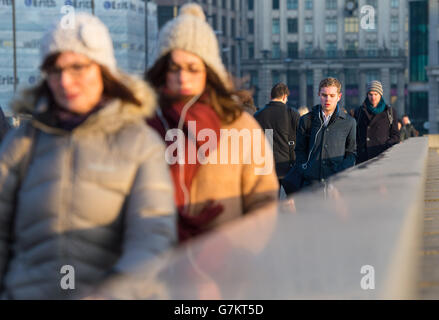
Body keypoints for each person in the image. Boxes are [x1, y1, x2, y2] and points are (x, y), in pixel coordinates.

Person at [0, 13, 176, 299]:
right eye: (56, 70)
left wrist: (116, 291)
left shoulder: (140, 143)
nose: (66, 82)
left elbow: (151, 236)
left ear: (103, 70)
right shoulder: (22, 142)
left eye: (78, 68)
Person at [146, 3, 279, 243]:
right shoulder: (146, 124)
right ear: (162, 70)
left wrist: (236, 251)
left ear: (209, 71)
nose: (182, 77)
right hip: (156, 263)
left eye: (192, 68)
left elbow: (264, 200)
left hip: (227, 266)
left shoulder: (241, 126)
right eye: (174, 68)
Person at [285, 77, 356, 191]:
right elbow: (299, 150)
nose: (327, 99)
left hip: (336, 184)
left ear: (339, 97)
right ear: (319, 94)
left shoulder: (349, 122)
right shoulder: (306, 120)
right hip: (310, 184)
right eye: (324, 95)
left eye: (332, 96)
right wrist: (305, 169)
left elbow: (351, 152)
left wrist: (341, 172)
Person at [254, 83, 300, 182]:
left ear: (271, 96)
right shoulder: (292, 113)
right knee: (293, 196)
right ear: (284, 97)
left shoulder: (258, 115)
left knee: (271, 196)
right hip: (287, 164)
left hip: (265, 165)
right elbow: (300, 138)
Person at [354, 80, 400, 163]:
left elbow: (396, 135)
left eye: (376, 94)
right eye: (370, 94)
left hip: (382, 157)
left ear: (380, 95)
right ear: (367, 95)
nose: (373, 97)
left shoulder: (390, 112)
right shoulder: (359, 111)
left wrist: (386, 145)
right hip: (363, 157)